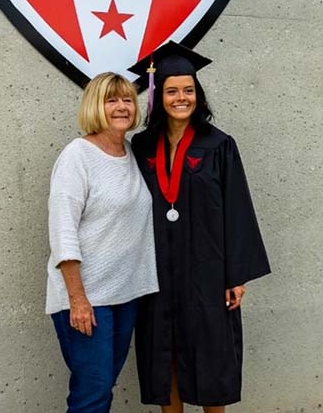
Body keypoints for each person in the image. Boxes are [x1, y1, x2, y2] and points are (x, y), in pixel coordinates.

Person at [127, 41, 271, 412]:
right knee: (165, 357)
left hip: (206, 272)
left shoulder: (219, 144)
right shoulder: (142, 146)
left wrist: (235, 275)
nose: (181, 98)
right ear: (159, 96)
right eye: (172, 91)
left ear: (198, 95)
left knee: (211, 360)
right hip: (157, 272)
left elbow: (238, 210)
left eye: (188, 91)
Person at [46, 72, 159, 413]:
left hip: (125, 295)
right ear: (95, 106)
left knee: (101, 388)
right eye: (112, 100)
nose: (122, 106)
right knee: (92, 395)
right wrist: (78, 299)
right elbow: (63, 230)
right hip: (87, 299)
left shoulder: (132, 153)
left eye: (127, 99)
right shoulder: (77, 156)